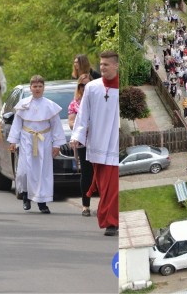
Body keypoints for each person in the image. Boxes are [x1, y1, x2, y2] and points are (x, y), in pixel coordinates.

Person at [71, 50, 119, 236]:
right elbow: (83, 115)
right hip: (98, 142)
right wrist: (77, 136)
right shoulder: (92, 87)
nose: (102, 67)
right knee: (103, 184)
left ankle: (111, 222)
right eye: (100, 64)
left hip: (114, 143)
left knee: (112, 187)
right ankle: (108, 216)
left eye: (106, 64)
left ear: (115, 65)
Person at [7, 75, 66, 214]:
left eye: (40, 86)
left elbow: (56, 126)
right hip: (27, 140)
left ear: (43, 88)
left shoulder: (50, 106)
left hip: (44, 141)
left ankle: (42, 202)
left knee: (42, 172)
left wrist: (57, 145)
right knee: (24, 172)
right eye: (35, 86)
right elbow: (17, 124)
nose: (37, 89)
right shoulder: (23, 104)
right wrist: (13, 141)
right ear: (30, 88)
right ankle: (26, 195)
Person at [68, 74, 93, 217]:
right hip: (84, 142)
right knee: (86, 173)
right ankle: (85, 205)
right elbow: (71, 123)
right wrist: (81, 128)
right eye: (82, 85)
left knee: (101, 173)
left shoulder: (97, 102)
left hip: (98, 141)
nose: (84, 88)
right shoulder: (75, 103)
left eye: (87, 85)